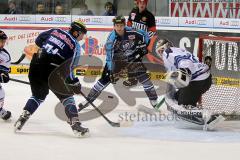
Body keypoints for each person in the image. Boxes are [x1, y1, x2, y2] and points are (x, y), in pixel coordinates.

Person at [14, 20, 89, 137]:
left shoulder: (55, 31)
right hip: (52, 70)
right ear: (76, 33)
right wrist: (74, 83)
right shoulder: (75, 46)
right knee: (67, 97)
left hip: (36, 64)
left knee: (38, 96)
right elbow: (69, 68)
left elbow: (38, 40)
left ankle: (22, 118)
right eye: (83, 34)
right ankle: (76, 125)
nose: (83, 37)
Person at [78, 16, 161, 112]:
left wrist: (144, 47)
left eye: (121, 25)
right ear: (114, 26)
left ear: (125, 25)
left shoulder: (132, 31)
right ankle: (88, 100)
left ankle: (154, 101)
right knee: (104, 80)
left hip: (133, 58)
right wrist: (110, 71)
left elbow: (145, 35)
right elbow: (109, 58)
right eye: (117, 25)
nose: (119, 28)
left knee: (144, 78)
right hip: (117, 60)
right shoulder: (111, 39)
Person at [155, 39, 225, 130]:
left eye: (161, 50)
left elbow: (185, 63)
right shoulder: (178, 50)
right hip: (205, 80)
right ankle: (192, 106)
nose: (161, 54)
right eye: (159, 52)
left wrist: (184, 72)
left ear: (166, 46)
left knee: (183, 106)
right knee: (176, 98)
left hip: (195, 81)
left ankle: (208, 117)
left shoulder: (168, 52)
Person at [123, 0, 157, 87]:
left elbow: (152, 31)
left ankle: (132, 79)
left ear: (146, 4)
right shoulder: (133, 12)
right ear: (137, 3)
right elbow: (129, 25)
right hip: (132, 40)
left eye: (144, 3)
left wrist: (144, 41)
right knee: (132, 58)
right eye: (140, 3)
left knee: (132, 58)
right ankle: (143, 73)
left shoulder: (149, 16)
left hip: (143, 42)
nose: (142, 5)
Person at [0, 30, 11, 121]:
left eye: (4, 42)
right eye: (1, 41)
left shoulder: (5, 55)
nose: (3, 44)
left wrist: (3, 75)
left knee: (0, 93)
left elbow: (4, 70)